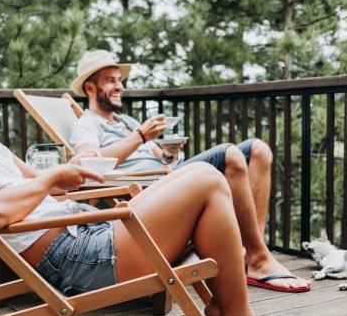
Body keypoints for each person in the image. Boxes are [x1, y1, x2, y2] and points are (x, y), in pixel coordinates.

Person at [0, 57, 287, 316]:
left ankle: (228, 310)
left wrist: (66, 179)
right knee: (204, 176)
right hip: (78, 255)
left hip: (86, 231)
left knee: (204, 176)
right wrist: (53, 178)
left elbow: (55, 186)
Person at [69, 50, 310, 293]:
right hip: (149, 192)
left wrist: (168, 152)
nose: (119, 86)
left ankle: (250, 254)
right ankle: (259, 260)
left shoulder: (127, 122)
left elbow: (158, 157)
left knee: (259, 150)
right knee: (230, 155)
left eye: (120, 80)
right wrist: (140, 136)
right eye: (111, 80)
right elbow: (89, 161)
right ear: (90, 88)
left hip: (167, 175)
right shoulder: (86, 124)